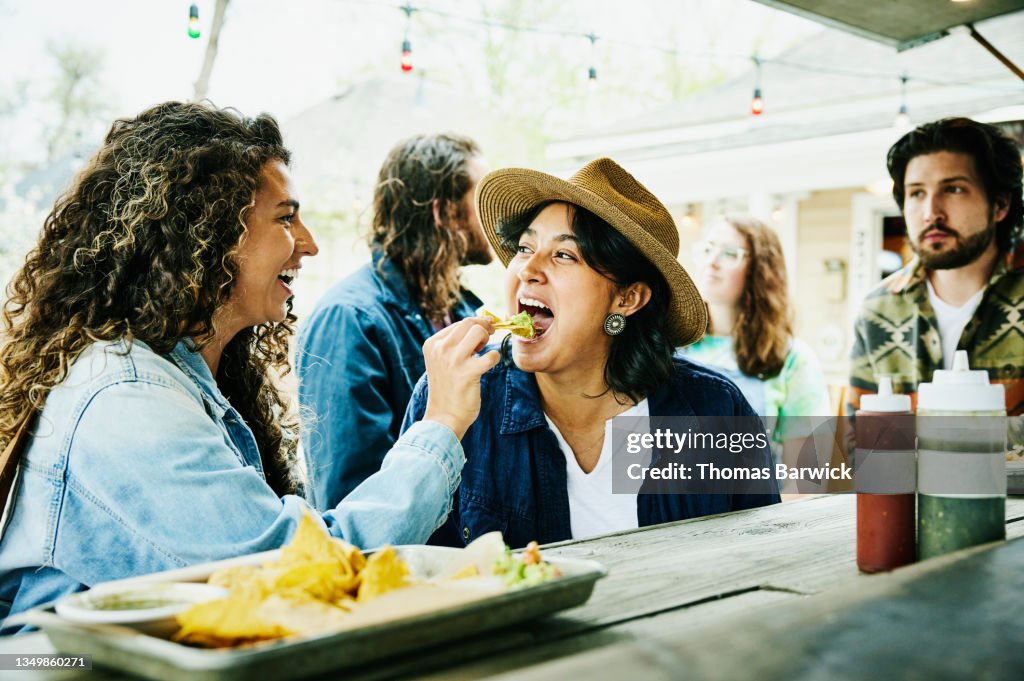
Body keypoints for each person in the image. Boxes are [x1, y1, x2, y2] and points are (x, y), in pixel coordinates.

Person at [0, 102, 499, 625]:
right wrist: (441, 424)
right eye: (285, 218)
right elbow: (296, 576)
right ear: (205, 232)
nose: (309, 243)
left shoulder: (193, 370)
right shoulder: (126, 397)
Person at [402, 158, 780, 548]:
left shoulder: (713, 409)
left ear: (627, 298)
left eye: (564, 255)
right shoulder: (451, 397)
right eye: (524, 247)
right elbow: (407, 571)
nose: (527, 269)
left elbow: (761, 555)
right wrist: (440, 426)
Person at [297, 134, 492, 510]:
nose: (497, 214)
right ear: (444, 212)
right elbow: (349, 497)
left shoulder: (464, 312)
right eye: (481, 198)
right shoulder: (348, 319)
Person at [847, 117, 1024, 416]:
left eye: (953, 189)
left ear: (1000, 204)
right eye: (916, 193)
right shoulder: (879, 309)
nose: (931, 212)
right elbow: (858, 440)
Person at [679, 216, 830, 463]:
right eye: (707, 249)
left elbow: (806, 477)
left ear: (761, 270)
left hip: (755, 502)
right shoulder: (672, 347)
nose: (711, 262)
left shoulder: (792, 359)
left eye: (729, 254)